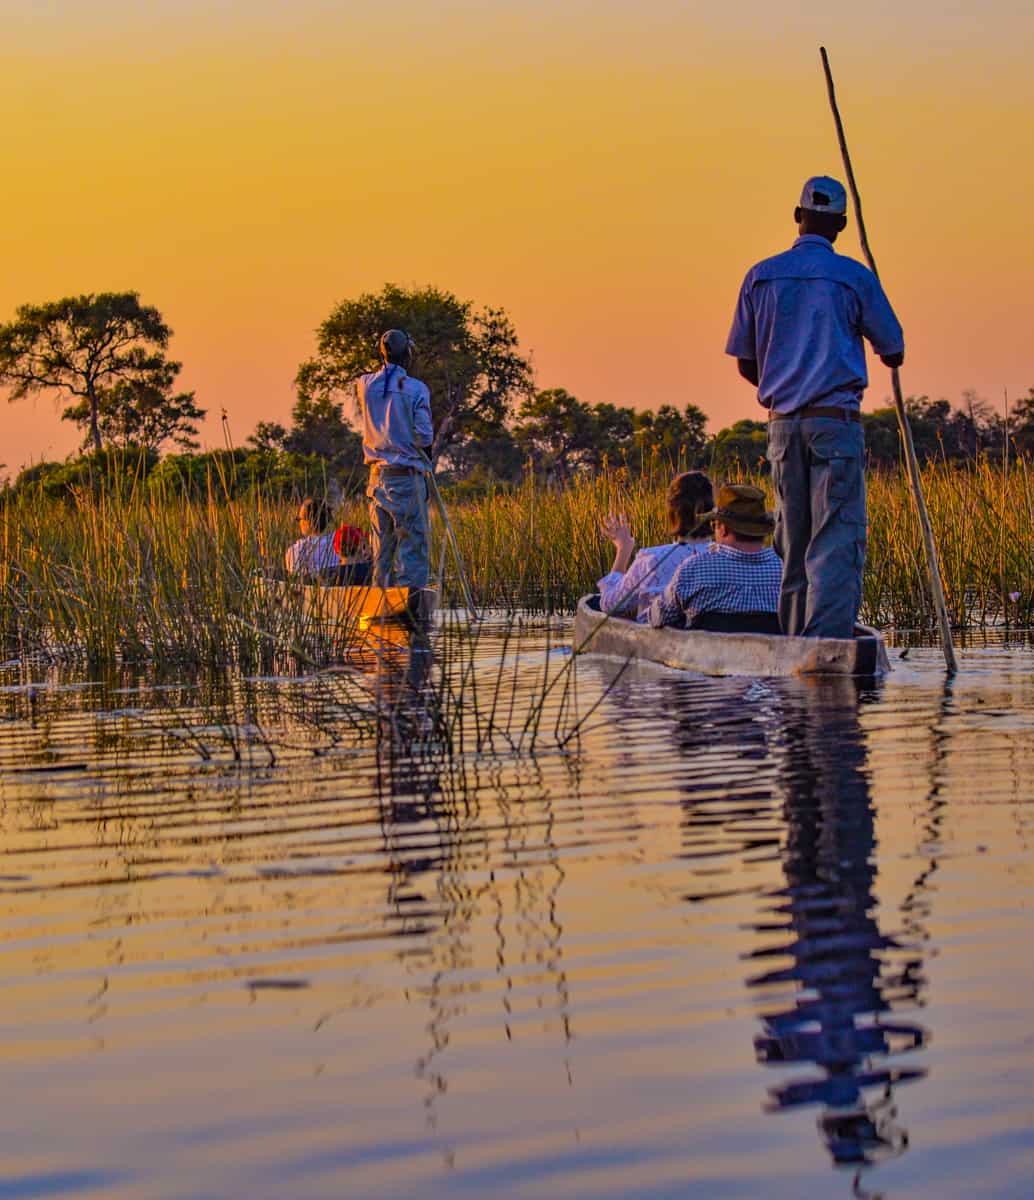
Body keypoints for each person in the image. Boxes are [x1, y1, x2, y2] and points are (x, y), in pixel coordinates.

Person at [725, 175, 905, 639]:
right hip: (835, 425)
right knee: (836, 540)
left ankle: (791, 645)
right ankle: (825, 647)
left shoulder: (761, 276)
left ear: (797, 217)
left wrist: (783, 386)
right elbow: (895, 349)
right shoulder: (854, 277)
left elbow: (747, 361)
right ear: (841, 225)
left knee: (791, 541)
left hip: (782, 426)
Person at [358, 329, 434, 588]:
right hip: (407, 481)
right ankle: (409, 606)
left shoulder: (364, 385)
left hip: (377, 479)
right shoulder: (417, 389)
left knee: (382, 552)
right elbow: (424, 436)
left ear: (381, 353)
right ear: (408, 354)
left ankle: (383, 606)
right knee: (412, 550)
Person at [649, 484, 782, 631]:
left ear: (723, 529)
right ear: (762, 530)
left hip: (704, 653)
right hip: (769, 652)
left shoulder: (694, 569)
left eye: (714, 525)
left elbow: (658, 617)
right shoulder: (786, 571)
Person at [597, 471, 714, 623]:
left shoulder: (651, 559)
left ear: (672, 514)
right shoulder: (725, 557)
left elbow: (611, 605)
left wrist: (623, 550)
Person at [285, 497, 338, 576]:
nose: (299, 523)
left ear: (307, 522)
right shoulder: (340, 546)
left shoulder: (295, 551)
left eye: (299, 519)